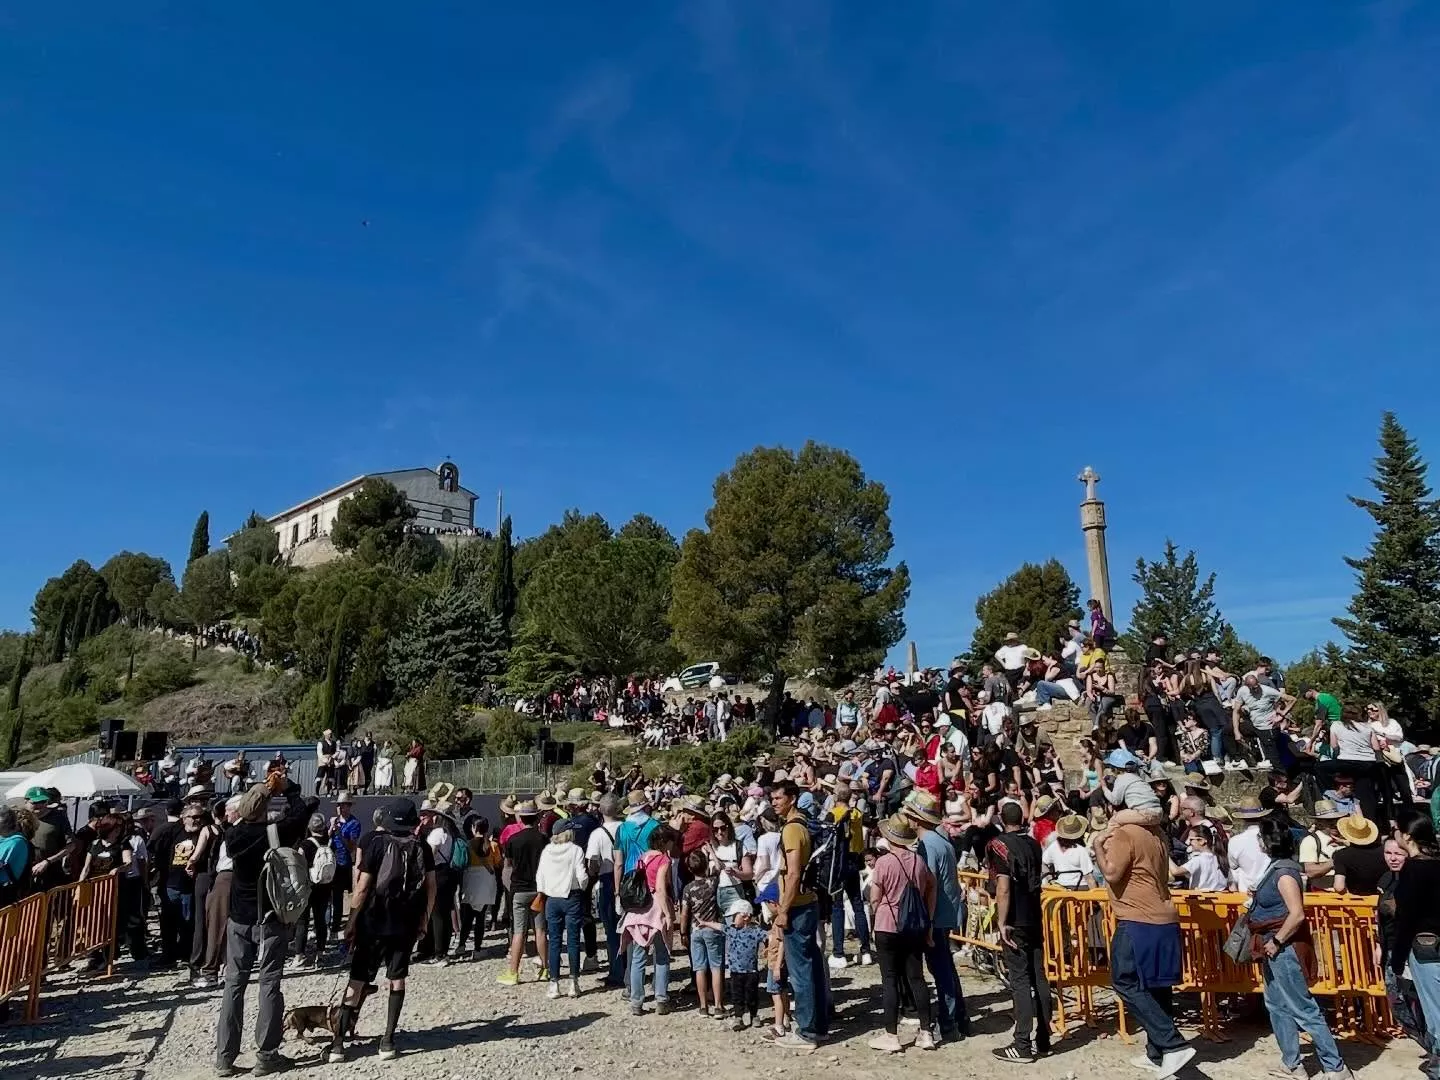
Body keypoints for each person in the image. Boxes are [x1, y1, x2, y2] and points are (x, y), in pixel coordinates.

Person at [215, 768, 316, 1077]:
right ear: (265, 809)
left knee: (234, 984)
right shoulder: (274, 832)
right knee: (269, 982)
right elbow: (304, 810)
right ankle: (267, 1054)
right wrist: (289, 787)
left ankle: (224, 1058)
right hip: (269, 915)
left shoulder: (232, 834)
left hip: (238, 918)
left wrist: (266, 792)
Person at [325, 799, 437, 1064]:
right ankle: (388, 1041)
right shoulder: (422, 846)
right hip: (407, 921)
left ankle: (338, 1045)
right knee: (397, 978)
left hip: (374, 920)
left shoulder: (376, 843)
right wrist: (425, 919)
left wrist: (351, 921)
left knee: (358, 979)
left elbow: (362, 887)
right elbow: (431, 887)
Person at [1091, 811, 1194, 1079]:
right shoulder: (1157, 835)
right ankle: (1156, 1053)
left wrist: (1098, 849)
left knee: (1123, 980)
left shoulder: (1125, 833)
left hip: (1137, 918)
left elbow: (1112, 873)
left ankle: (1172, 1043)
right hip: (1163, 916)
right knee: (1158, 986)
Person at [1249, 819, 1352, 1080]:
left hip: (1282, 947)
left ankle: (1335, 1066)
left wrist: (1277, 941)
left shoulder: (1284, 872)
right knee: (1276, 1005)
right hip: (1274, 946)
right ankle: (1292, 1063)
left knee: (1303, 1008)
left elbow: (1296, 914)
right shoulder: (1279, 869)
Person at [865, 814, 937, 1054]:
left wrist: (877, 911)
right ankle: (926, 1032)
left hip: (888, 923)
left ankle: (891, 1035)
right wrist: (928, 917)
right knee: (917, 978)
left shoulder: (884, 863)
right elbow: (931, 886)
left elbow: (875, 897)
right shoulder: (918, 861)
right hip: (914, 925)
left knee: (889, 980)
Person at [988, 801, 1051, 1063]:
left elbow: (1002, 887)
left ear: (1002, 819)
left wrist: (1002, 922)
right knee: (1040, 977)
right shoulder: (1033, 844)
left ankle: (1022, 1044)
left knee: (1021, 981)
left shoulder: (998, 845)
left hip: (1015, 918)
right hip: (1034, 915)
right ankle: (1044, 1038)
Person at [904, 790, 969, 1042]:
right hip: (946, 912)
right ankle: (959, 1018)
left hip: (936, 915)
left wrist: (926, 922)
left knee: (940, 970)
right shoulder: (941, 841)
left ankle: (949, 1021)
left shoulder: (927, 845)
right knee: (946, 969)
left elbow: (927, 884)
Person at [768, 780, 829, 1051]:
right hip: (810, 901)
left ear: (791, 799)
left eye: (778, 798)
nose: (774, 803)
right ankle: (818, 1026)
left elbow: (792, 873)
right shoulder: (805, 824)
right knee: (813, 966)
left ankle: (806, 1032)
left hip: (797, 905)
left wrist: (782, 911)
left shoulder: (792, 830)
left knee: (800, 970)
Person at [621, 825, 678, 1015]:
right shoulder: (663, 860)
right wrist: (669, 915)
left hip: (639, 909)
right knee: (661, 955)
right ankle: (661, 999)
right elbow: (660, 889)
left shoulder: (643, 857)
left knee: (638, 957)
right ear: (665, 842)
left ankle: (636, 1001)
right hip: (656, 909)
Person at [497, 800, 549, 985]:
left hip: (519, 889)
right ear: (536, 818)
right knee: (540, 931)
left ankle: (513, 972)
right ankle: (544, 969)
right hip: (538, 889)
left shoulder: (513, 840)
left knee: (519, 932)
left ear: (521, 818)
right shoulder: (543, 839)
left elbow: (508, 866)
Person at [538, 820, 590, 1000]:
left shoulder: (547, 851)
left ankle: (554, 983)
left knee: (554, 941)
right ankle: (573, 983)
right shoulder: (576, 850)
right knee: (573, 941)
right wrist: (583, 886)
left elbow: (540, 876)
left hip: (552, 898)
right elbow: (582, 876)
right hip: (572, 896)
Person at [681, 850, 726, 1016]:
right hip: (713, 929)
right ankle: (718, 1005)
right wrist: (712, 852)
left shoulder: (688, 889)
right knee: (716, 968)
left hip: (695, 931)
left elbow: (685, 913)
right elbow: (721, 868)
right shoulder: (713, 883)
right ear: (706, 866)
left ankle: (702, 1006)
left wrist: (683, 932)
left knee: (699, 968)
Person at [455, 815, 500, 961]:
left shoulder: (468, 844)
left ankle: (461, 945)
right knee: (481, 917)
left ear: (474, 828)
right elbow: (498, 863)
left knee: (467, 917)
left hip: (471, 880)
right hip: (486, 881)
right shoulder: (493, 845)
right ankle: (478, 948)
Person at [724, 898, 768, 1031]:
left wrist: (768, 947)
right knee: (737, 995)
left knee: (752, 994)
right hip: (736, 971)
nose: (732, 920)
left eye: (734, 916)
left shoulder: (756, 931)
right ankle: (739, 1017)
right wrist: (705, 923)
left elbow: (768, 936)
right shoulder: (731, 930)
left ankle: (754, 1015)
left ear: (745, 916)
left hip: (751, 972)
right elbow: (718, 926)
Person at [327, 793, 361, 952]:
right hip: (332, 863)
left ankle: (344, 926)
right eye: (339, 805)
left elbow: (351, 847)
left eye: (344, 805)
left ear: (349, 806)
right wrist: (331, 829)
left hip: (345, 863)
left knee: (345, 897)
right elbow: (327, 842)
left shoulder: (354, 823)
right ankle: (332, 926)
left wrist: (339, 831)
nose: (341, 808)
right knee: (334, 897)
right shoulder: (334, 821)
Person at [1332, 815, 1385, 895]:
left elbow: (1339, 887)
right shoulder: (1384, 851)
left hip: (1357, 901)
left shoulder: (1341, 855)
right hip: (1381, 898)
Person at [1042, 815, 1095, 888]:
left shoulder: (1054, 846)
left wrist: (1050, 879)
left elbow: (1043, 863)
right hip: (1080, 888)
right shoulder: (1081, 850)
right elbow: (1089, 878)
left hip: (1060, 888)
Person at [1174, 823, 1228, 891]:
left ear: (1201, 841)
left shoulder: (1198, 860)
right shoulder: (1220, 858)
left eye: (1191, 839)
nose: (1188, 842)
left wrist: (1165, 853)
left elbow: (1176, 871)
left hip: (1202, 899)